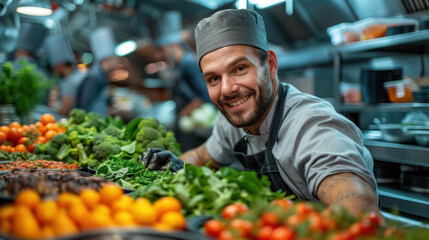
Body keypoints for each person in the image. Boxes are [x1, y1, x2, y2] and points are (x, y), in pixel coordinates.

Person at [140, 9, 379, 216]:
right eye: (214, 78)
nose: (227, 89)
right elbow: (204, 157)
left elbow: (357, 208)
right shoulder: (234, 119)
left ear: (271, 65)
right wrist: (177, 163)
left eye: (240, 68)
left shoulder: (312, 125)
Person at [152, 11, 212, 151]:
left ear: (174, 45)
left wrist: (182, 114)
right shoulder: (178, 66)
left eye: (161, 50)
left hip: (195, 127)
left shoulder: (190, 65)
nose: (158, 55)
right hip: (184, 127)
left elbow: (204, 95)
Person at [76, 27, 120, 116]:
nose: (117, 63)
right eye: (116, 58)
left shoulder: (102, 75)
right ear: (109, 58)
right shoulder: (94, 77)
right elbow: (84, 105)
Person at [46, 35, 85, 116]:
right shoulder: (81, 75)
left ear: (60, 65)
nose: (54, 71)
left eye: (55, 67)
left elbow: (65, 109)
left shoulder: (69, 82)